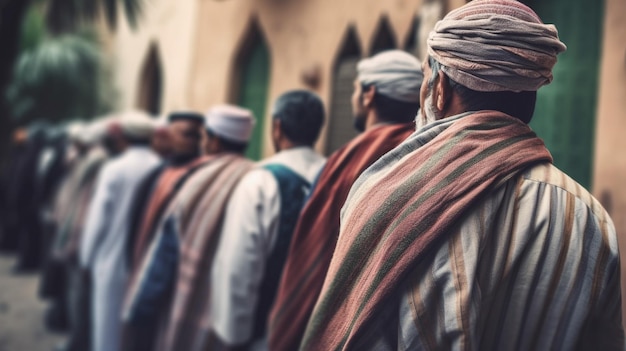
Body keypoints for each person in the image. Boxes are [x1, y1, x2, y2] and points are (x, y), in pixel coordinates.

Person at [301, 1, 624, 350]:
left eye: (428, 75)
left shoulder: (384, 190)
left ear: (439, 89)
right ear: (531, 92)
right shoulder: (589, 219)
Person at [269, 50, 422, 351]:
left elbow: (315, 250)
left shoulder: (344, 164)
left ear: (369, 95)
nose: (353, 97)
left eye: (354, 89)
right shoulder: (426, 154)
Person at [123, 105, 256, 351]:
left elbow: (164, 256)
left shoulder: (193, 179)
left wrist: (140, 310)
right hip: (234, 319)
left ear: (214, 140)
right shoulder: (259, 177)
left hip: (187, 309)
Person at [210, 90, 326, 350]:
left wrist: (234, 335)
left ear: (277, 127)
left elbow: (238, 266)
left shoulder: (260, 180)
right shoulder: (337, 175)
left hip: (265, 334)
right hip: (320, 332)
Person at [79, 111, 161, 351]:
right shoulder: (161, 167)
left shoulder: (115, 169)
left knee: (106, 332)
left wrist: (86, 259)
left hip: (109, 263)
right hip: (145, 264)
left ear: (123, 137)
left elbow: (98, 220)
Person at [126, 111, 207, 270]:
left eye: (197, 136)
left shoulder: (205, 175)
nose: (194, 141)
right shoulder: (157, 174)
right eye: (187, 135)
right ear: (170, 135)